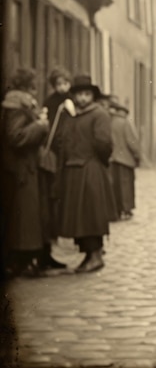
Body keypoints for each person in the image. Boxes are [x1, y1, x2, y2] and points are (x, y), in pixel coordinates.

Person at [57, 74, 116, 273]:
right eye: (79, 94)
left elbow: (104, 144)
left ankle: (96, 254)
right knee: (78, 218)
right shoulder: (70, 115)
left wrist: (98, 162)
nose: (82, 98)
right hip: (73, 170)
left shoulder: (99, 114)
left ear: (92, 96)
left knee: (91, 214)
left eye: (86, 94)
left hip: (90, 169)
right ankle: (88, 254)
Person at [0, 68, 50, 278]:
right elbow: (16, 137)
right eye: (33, 88)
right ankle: (23, 261)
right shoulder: (16, 107)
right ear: (27, 88)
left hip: (25, 168)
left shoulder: (19, 105)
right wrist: (40, 125)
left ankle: (24, 260)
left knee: (25, 218)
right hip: (21, 171)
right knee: (24, 219)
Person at [39, 66, 74, 270]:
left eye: (65, 83)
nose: (62, 87)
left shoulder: (71, 100)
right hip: (53, 151)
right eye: (58, 84)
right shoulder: (51, 102)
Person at [109, 101, 141, 220]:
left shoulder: (110, 122)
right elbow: (132, 142)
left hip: (113, 159)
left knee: (115, 186)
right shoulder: (126, 123)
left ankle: (117, 210)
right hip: (126, 160)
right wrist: (137, 155)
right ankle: (127, 209)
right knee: (126, 186)